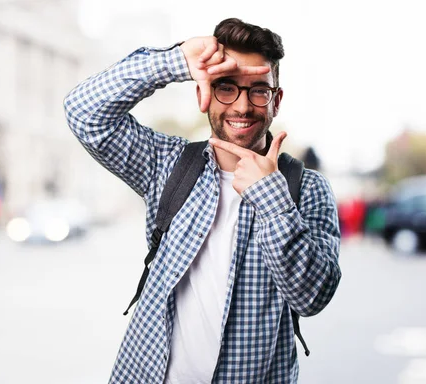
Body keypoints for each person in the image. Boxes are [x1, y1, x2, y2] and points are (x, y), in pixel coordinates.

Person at [64, 17, 341, 384]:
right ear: (202, 94)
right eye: (226, 88)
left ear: (276, 100)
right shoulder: (167, 163)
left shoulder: (307, 189)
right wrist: (175, 61)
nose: (242, 106)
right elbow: (84, 113)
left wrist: (271, 199)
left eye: (258, 90)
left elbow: (313, 296)